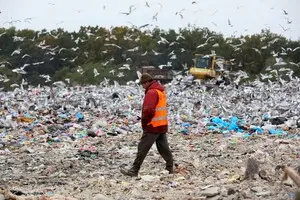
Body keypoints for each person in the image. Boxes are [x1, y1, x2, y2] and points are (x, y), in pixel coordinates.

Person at [120, 73, 173, 177]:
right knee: (163, 147)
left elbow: (148, 110)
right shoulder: (160, 91)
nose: (142, 86)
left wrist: (145, 123)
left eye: (143, 84)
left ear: (147, 82)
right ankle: (170, 167)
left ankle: (134, 170)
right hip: (161, 125)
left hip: (152, 125)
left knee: (143, 147)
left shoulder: (152, 92)